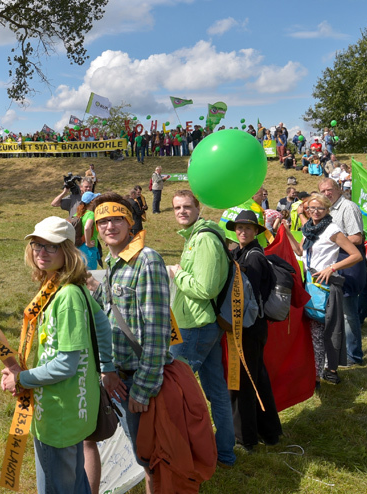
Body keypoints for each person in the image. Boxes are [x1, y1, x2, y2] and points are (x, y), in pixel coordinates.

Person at [1, 216, 106, 494]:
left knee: (57, 486)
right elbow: (104, 325)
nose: (41, 252)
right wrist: (107, 368)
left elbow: (66, 365)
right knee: (74, 482)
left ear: (68, 251)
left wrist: (21, 379)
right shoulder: (64, 287)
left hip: (59, 414)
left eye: (52, 247)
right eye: (37, 245)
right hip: (71, 408)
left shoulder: (67, 295)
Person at [86, 193, 173, 494]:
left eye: (116, 219)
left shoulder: (146, 260)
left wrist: (143, 388)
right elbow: (113, 310)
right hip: (118, 378)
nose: (110, 226)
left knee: (150, 456)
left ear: (130, 222)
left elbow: (158, 331)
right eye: (103, 221)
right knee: (142, 453)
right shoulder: (113, 262)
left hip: (139, 379)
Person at [167, 190, 236, 467]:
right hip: (198, 323)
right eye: (176, 208)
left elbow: (205, 288)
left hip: (196, 326)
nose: (181, 211)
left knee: (174, 392)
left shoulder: (205, 239)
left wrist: (177, 273)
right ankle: (224, 453)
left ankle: (182, 454)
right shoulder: (194, 237)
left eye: (186, 206)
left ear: (198, 208)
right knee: (216, 391)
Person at [282, 193, 362, 385]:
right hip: (310, 282)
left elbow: (356, 255)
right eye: (311, 208)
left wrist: (332, 268)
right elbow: (301, 252)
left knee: (330, 330)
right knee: (315, 331)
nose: (315, 212)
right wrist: (287, 234)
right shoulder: (308, 227)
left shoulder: (332, 229)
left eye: (319, 208)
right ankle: (317, 373)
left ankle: (327, 371)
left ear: (327, 209)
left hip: (326, 285)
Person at [225, 210, 282, 450]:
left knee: (244, 383)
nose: (242, 231)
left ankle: (246, 438)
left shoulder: (254, 257)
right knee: (257, 378)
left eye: (248, 228)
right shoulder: (241, 252)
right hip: (248, 326)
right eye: (239, 227)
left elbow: (250, 296)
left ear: (257, 231)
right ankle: (270, 433)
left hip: (248, 326)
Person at [318, 178, 366, 366]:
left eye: (330, 190)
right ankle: (339, 353)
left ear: (338, 189)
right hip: (332, 266)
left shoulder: (348, 207)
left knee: (348, 313)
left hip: (348, 265)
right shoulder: (326, 210)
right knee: (335, 312)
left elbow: (356, 238)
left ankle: (354, 356)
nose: (327, 193)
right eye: (323, 191)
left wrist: (334, 240)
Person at [76, 191, 100, 269]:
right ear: (91, 202)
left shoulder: (77, 214)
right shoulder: (91, 214)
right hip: (89, 249)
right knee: (91, 274)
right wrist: (88, 242)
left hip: (78, 248)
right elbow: (87, 227)